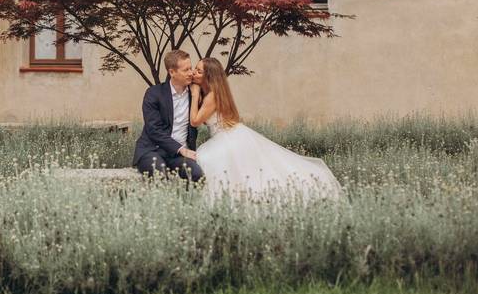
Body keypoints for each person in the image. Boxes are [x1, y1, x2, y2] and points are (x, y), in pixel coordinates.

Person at [192, 57, 342, 202]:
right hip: (232, 135)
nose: (193, 72)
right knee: (239, 171)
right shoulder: (211, 94)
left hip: (228, 138)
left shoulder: (211, 96)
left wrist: (195, 94)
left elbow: (194, 121)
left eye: (199, 71)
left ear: (209, 77)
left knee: (208, 159)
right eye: (195, 69)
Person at [132, 49, 204, 182]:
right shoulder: (154, 94)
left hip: (179, 157)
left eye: (191, 68)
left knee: (197, 174)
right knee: (159, 174)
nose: (191, 73)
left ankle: (187, 203)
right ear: (172, 72)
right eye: (186, 70)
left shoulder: (194, 94)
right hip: (152, 150)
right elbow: (154, 130)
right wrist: (181, 150)